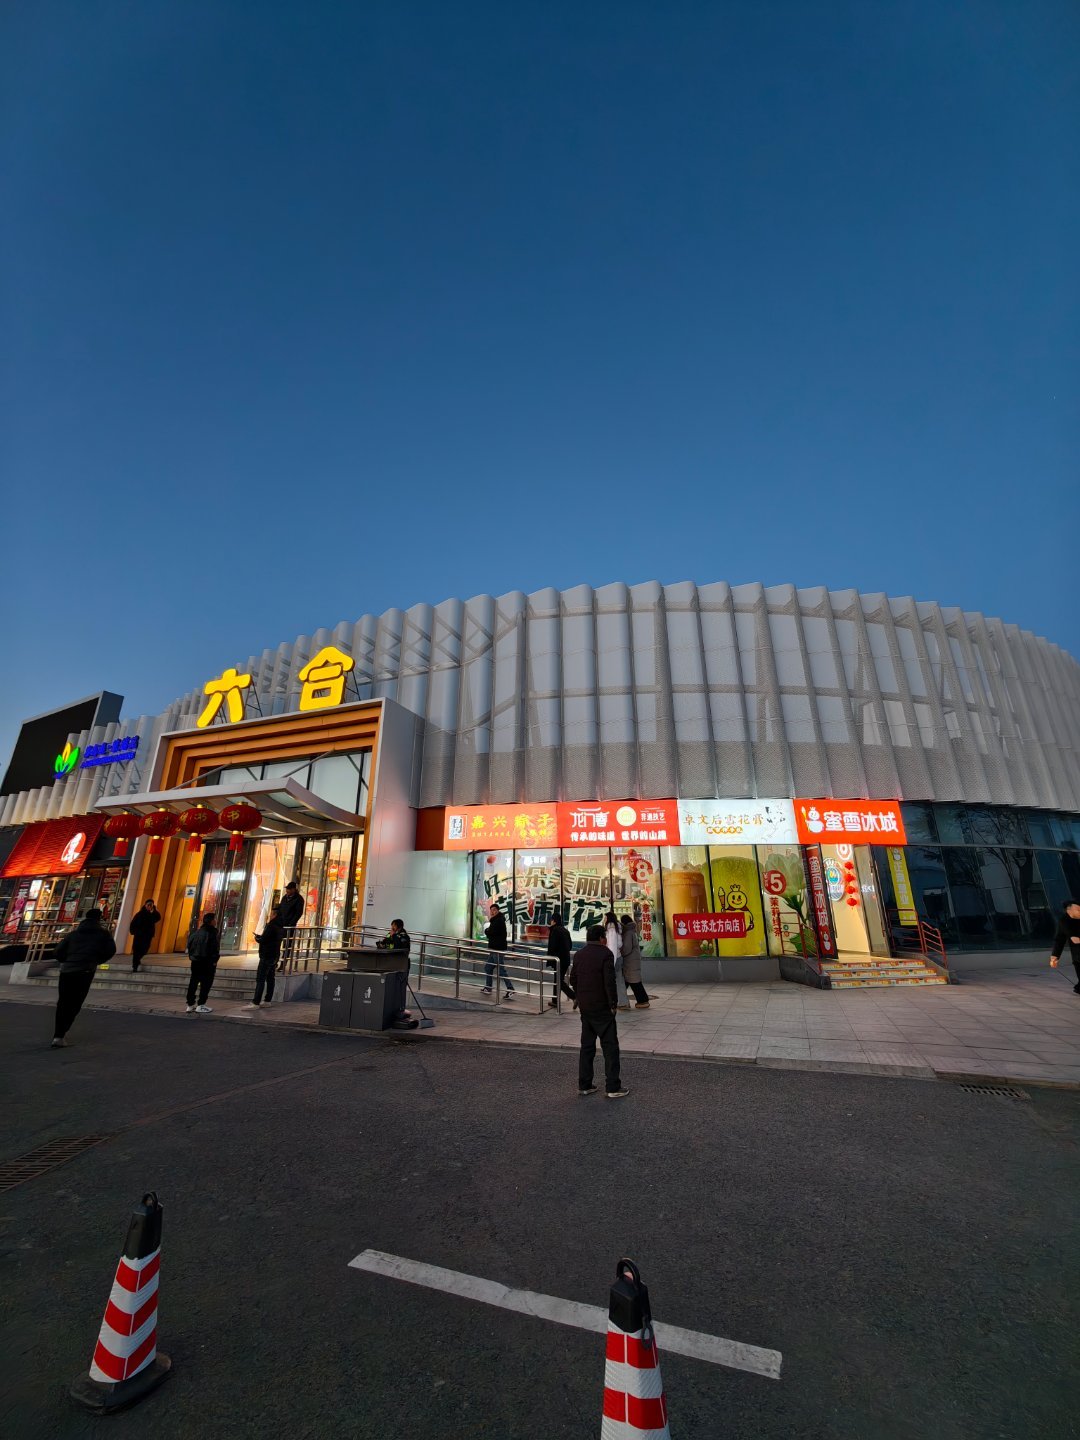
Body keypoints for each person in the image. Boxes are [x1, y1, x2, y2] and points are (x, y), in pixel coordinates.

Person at [568, 924, 628, 1098]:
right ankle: (613, 1087)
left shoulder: (579, 954)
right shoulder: (605, 954)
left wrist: (579, 997)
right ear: (602, 938)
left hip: (586, 1008)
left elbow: (573, 979)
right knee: (610, 1047)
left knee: (587, 1046)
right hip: (602, 1007)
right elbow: (609, 982)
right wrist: (613, 1004)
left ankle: (584, 1084)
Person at [51, 908, 115, 1048]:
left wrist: (67, 961)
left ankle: (58, 1034)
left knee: (63, 1002)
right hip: (85, 971)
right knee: (76, 1002)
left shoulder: (74, 933)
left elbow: (58, 951)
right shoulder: (103, 934)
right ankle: (62, 1032)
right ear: (99, 918)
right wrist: (97, 960)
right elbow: (111, 950)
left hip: (67, 971)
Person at [376, 918, 414, 1024]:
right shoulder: (390, 934)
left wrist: (393, 936)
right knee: (391, 988)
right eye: (391, 925)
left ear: (398, 926)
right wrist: (381, 944)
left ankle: (400, 1010)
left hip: (401, 965)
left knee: (400, 988)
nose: (391, 927)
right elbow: (384, 943)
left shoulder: (404, 936)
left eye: (393, 925)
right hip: (390, 964)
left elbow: (399, 946)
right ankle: (391, 1010)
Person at [244, 913, 283, 1008]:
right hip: (274, 955)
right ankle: (267, 1000)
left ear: (275, 915)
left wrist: (257, 938)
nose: (270, 915)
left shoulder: (271, 926)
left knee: (261, 979)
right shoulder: (280, 927)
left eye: (272, 914)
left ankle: (256, 1002)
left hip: (267, 955)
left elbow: (264, 939)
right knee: (270, 978)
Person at [186, 912, 220, 1013]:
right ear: (211, 921)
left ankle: (190, 1004)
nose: (215, 921)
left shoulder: (196, 932)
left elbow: (189, 946)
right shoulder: (212, 933)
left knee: (193, 982)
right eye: (214, 919)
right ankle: (201, 1004)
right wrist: (214, 961)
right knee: (206, 984)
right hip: (207, 962)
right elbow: (214, 949)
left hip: (195, 961)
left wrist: (192, 957)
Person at [482, 902, 515, 999]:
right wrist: (488, 931)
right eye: (491, 910)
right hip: (494, 949)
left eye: (494, 910)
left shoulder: (498, 921)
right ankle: (488, 988)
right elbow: (491, 932)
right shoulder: (496, 920)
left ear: (498, 911)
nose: (492, 912)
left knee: (501, 970)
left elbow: (490, 932)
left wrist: (487, 931)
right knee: (488, 968)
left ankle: (510, 989)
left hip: (498, 950)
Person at [619, 914, 651, 1008]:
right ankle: (622, 1000)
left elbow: (627, 949)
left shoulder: (628, 933)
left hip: (630, 962)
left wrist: (620, 952)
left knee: (634, 982)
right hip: (633, 961)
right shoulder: (632, 931)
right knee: (629, 982)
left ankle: (642, 1001)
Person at [1049, 901, 1080, 994]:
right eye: (1078, 910)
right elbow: (1060, 939)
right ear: (1069, 910)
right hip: (1078, 954)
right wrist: (1055, 956)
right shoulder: (1064, 922)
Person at [546, 912, 574, 1009]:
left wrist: (550, 958)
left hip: (558, 960)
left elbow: (552, 946)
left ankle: (574, 996)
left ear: (554, 921)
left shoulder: (555, 930)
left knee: (558, 981)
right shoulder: (565, 930)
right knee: (557, 979)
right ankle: (555, 1001)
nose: (550, 922)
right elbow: (570, 946)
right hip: (565, 960)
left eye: (551, 920)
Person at [275, 880, 305, 971]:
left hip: (289, 926)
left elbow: (298, 913)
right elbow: (280, 909)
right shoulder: (285, 897)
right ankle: (274, 962)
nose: (287, 891)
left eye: (289, 889)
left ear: (293, 890)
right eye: (287, 889)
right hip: (280, 924)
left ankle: (283, 964)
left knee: (287, 946)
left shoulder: (299, 899)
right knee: (276, 944)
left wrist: (291, 923)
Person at [128, 899, 161, 974]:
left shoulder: (153, 914)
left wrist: (153, 911)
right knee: (136, 950)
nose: (149, 906)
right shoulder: (140, 914)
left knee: (145, 949)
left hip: (147, 935)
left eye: (151, 905)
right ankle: (135, 966)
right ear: (145, 905)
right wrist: (133, 931)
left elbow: (158, 918)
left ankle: (137, 959)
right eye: (148, 905)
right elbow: (133, 923)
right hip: (139, 935)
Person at [605, 910, 629, 1011]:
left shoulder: (611, 928)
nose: (604, 920)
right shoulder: (617, 927)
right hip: (618, 957)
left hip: (614, 958)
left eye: (605, 918)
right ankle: (623, 1002)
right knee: (620, 980)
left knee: (614, 981)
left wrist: (612, 962)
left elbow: (612, 946)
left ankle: (618, 1002)